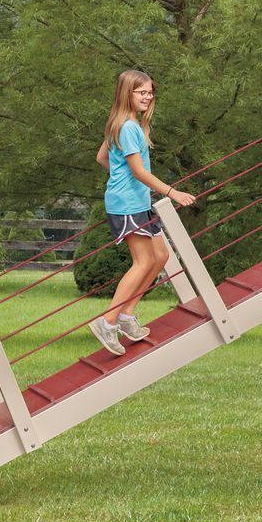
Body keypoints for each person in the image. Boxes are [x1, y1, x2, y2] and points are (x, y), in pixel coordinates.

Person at [90, 69, 195, 356]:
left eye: (150, 92)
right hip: (127, 205)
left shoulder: (125, 123)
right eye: (142, 92)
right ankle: (107, 321)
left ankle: (126, 316)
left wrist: (119, 178)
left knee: (160, 256)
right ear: (127, 93)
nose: (148, 96)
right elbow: (137, 171)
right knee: (143, 261)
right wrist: (172, 192)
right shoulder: (127, 127)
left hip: (138, 202)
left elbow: (102, 157)